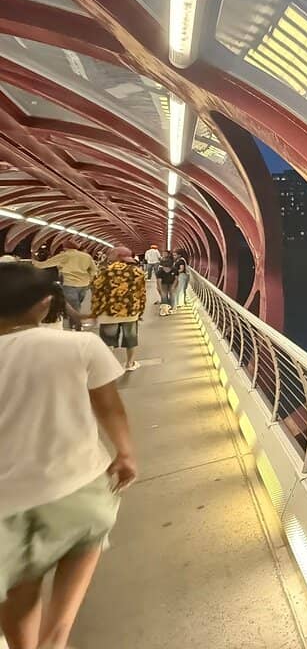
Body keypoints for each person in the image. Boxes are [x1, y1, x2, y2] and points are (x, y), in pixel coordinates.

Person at [0, 262, 137, 649]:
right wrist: (125, 453)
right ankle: (56, 638)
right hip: (77, 484)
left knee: (19, 586)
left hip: (5, 503)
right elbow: (110, 408)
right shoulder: (79, 346)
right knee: (85, 542)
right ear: (45, 304)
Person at [89, 247, 147, 372]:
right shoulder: (137, 272)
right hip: (130, 312)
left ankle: (108, 366)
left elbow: (96, 292)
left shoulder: (104, 271)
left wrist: (95, 312)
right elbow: (141, 294)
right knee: (130, 339)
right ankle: (130, 364)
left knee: (108, 341)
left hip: (108, 312)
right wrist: (140, 312)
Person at [34, 240, 96, 326]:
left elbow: (43, 265)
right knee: (77, 304)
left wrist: (34, 261)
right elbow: (94, 270)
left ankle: (76, 325)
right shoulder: (87, 256)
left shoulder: (64, 256)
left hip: (70, 283)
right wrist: (90, 278)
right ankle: (75, 323)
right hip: (84, 284)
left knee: (74, 305)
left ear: (65, 247)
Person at [155, 251, 177, 316]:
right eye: (165, 268)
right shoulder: (160, 272)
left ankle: (171, 308)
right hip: (163, 283)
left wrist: (173, 286)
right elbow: (159, 281)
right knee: (164, 295)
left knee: (172, 295)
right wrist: (160, 289)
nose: (166, 269)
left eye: (168, 268)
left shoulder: (174, 270)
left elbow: (176, 279)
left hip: (172, 282)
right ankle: (164, 309)